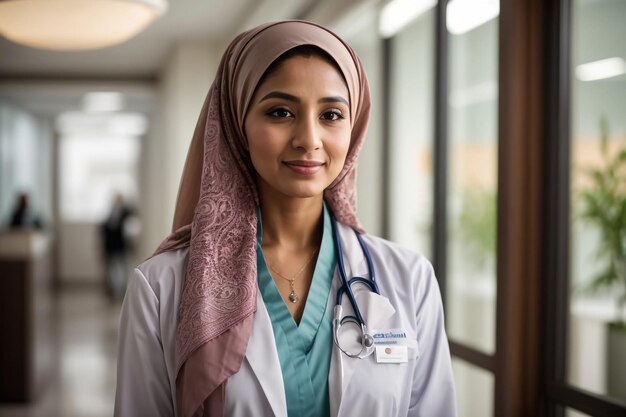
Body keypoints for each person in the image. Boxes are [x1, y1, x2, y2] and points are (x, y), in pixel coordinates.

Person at [114, 20, 456, 417]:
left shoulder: (409, 279)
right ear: (237, 123)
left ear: (355, 127)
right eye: (280, 112)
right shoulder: (160, 289)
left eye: (330, 114)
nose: (308, 139)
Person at [100, 193, 135, 300]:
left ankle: (122, 290)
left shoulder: (127, 213)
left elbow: (131, 230)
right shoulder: (111, 213)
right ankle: (114, 291)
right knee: (112, 270)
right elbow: (105, 230)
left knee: (122, 268)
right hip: (111, 247)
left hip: (121, 247)